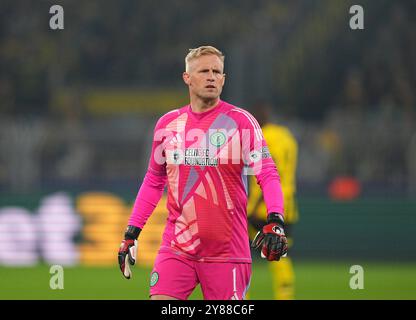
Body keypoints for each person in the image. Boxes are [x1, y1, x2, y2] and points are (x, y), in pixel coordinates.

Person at [117, 46, 288, 300]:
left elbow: (268, 174)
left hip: (227, 253)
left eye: (217, 72)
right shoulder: (167, 125)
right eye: (204, 71)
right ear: (187, 78)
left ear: (223, 79)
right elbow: (154, 181)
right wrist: (131, 233)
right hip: (177, 248)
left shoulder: (242, 122)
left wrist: (276, 221)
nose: (211, 76)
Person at [247, 102, 299, 300]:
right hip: (288, 206)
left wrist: (252, 207)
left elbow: (270, 172)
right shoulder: (288, 137)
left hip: (263, 207)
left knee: (240, 252)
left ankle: (240, 296)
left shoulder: (263, 137)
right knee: (281, 256)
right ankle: (285, 296)